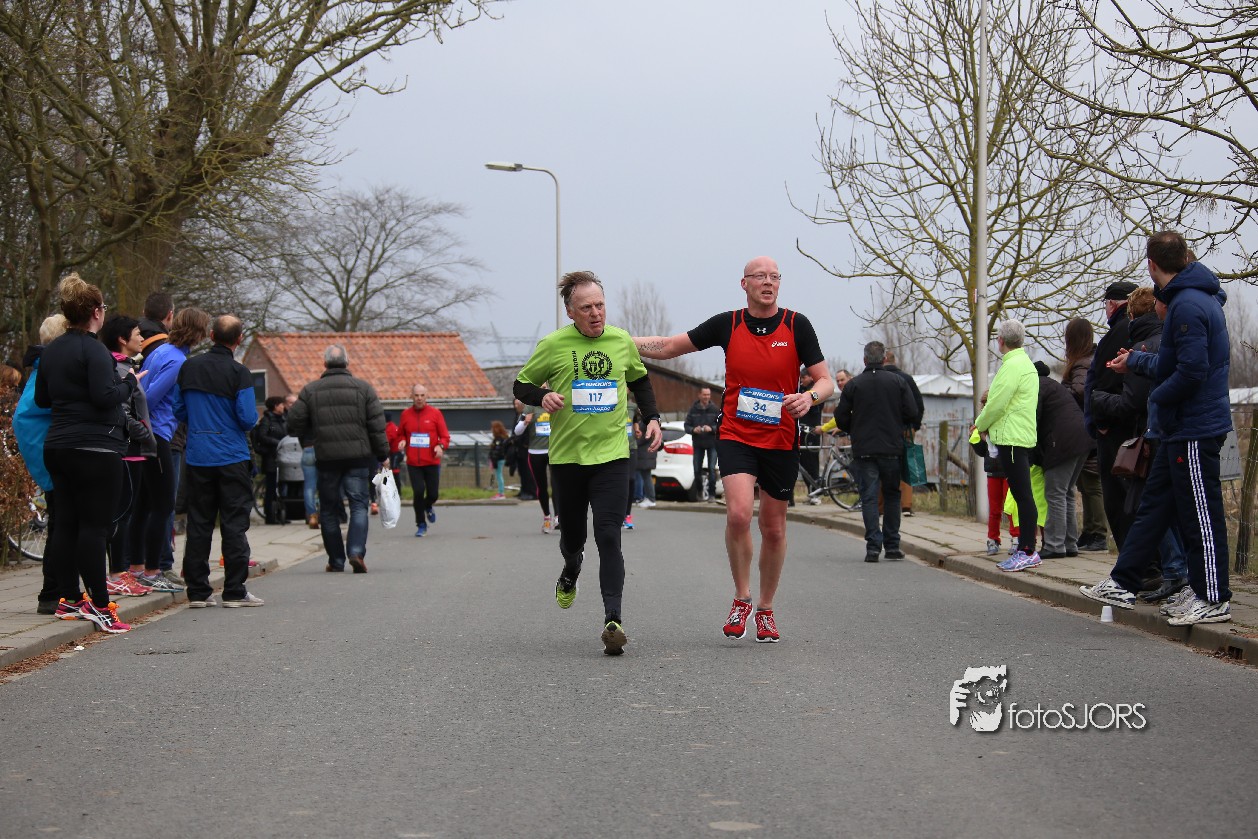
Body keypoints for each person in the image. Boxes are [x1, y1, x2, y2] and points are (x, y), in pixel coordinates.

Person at [635, 256, 832, 643]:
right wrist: (618, 340)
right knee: (739, 515)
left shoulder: (797, 325)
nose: (768, 282)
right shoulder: (728, 324)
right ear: (744, 284)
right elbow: (671, 346)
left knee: (773, 528)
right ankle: (742, 598)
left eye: (774, 277)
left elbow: (825, 380)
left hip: (780, 439)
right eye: (760, 276)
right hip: (737, 435)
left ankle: (766, 608)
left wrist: (808, 397)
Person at [1081, 232, 1233, 626]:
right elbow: (1171, 361)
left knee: (1200, 513)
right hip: (1178, 427)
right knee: (1153, 507)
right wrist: (1136, 362)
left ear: (1151, 265)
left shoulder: (1188, 304)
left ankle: (1212, 597)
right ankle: (1124, 582)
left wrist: (1157, 398)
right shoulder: (1188, 299)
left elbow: (1191, 372)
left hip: (1193, 426)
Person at [515, 270, 662, 656]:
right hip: (567, 459)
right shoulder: (553, 345)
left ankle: (613, 620)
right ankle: (571, 568)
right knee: (573, 539)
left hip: (612, 456)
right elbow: (521, 385)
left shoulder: (621, 341)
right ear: (570, 312)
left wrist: (653, 417)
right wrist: (541, 397)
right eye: (586, 308)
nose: (596, 313)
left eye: (600, 305)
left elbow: (640, 380)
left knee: (609, 534)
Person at [35, 274, 135, 633]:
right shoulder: (95, 350)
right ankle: (101, 606)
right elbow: (104, 397)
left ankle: (70, 598)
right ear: (96, 312)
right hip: (95, 447)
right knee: (94, 527)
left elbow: (42, 399)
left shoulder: (52, 350)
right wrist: (129, 382)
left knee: (66, 523)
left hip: (57, 446)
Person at [171, 315, 263, 607]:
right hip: (232, 456)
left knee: (199, 522)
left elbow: (177, 409)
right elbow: (247, 418)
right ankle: (234, 590)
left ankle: (198, 591)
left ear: (211, 335)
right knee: (234, 523)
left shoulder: (189, 368)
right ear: (239, 339)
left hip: (198, 455)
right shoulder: (240, 373)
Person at [286, 344, 388, 574]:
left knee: (329, 509)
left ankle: (336, 560)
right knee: (359, 505)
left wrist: (311, 431)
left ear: (324, 364)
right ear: (347, 362)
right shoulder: (364, 389)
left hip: (327, 458)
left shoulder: (311, 391)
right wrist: (382, 454)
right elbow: (377, 426)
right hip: (358, 457)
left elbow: (293, 424)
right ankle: (356, 552)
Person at [137, 307, 210, 587]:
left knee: (145, 504)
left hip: (148, 434)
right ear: (198, 332)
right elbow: (149, 398)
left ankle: (138, 568)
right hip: (158, 435)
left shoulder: (160, 351)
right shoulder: (178, 361)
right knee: (163, 504)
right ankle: (153, 571)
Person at [98, 315, 167, 599]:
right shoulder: (117, 368)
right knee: (121, 513)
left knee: (127, 512)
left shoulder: (126, 366)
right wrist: (145, 435)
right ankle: (116, 574)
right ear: (122, 339)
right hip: (128, 450)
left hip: (133, 451)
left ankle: (120, 571)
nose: (141, 338)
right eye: (137, 333)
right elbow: (122, 412)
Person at [830, 341, 916, 563]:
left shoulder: (854, 385)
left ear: (865, 360)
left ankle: (873, 547)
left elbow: (840, 417)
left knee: (868, 497)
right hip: (892, 448)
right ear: (884, 359)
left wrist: (853, 427)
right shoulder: (897, 382)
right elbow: (912, 412)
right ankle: (892, 545)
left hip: (864, 448)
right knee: (892, 495)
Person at [971, 319, 1040, 571]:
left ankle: (1027, 550)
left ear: (1000, 341)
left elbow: (996, 403)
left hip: (1011, 437)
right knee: (1023, 495)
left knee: (1022, 496)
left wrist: (980, 424)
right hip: (1020, 435)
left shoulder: (1011, 367)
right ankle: (1026, 548)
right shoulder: (1026, 364)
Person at [13, 314, 68, 614]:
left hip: (49, 456)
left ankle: (56, 591)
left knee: (61, 523)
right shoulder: (48, 371)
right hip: (55, 459)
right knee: (62, 524)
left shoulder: (40, 369)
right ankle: (53, 592)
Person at [1084, 280, 1140, 550]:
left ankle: (1134, 563)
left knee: (1118, 500)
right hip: (1127, 427)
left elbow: (1105, 382)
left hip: (1115, 431)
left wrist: (1101, 424)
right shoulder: (1133, 330)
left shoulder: (1118, 333)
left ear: (1113, 304)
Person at [1031, 361, 1091, 559]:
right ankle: (1069, 543)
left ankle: (1055, 545)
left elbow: (1033, 420)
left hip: (1062, 442)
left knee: (1055, 493)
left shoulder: (1036, 387)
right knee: (1067, 493)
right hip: (1083, 439)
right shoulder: (1054, 386)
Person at [1061, 318, 1108, 552]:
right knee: (1086, 484)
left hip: (1085, 431)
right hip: (1088, 429)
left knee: (1091, 484)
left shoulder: (1081, 363)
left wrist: (1061, 392)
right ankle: (1090, 532)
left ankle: (1097, 533)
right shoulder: (1091, 359)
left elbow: (1079, 389)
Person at [397, 383, 450, 537]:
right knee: (418, 492)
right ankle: (421, 524)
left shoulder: (435, 413)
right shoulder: (405, 414)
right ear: (411, 396)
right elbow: (400, 433)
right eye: (416, 395)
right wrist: (402, 441)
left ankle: (428, 506)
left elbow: (445, 436)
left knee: (433, 494)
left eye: (422, 395)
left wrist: (440, 446)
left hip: (432, 461)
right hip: (414, 462)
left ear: (427, 396)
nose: (419, 398)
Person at [881, 349, 924, 516]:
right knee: (906, 465)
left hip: (883, 430)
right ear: (894, 360)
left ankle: (880, 506)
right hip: (905, 428)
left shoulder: (878, 379)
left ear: (883, 360)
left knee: (881, 465)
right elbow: (918, 405)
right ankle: (906, 506)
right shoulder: (907, 379)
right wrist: (914, 426)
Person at [253, 395, 289, 524]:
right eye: (281, 404)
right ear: (275, 406)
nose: (283, 406)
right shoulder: (267, 420)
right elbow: (262, 436)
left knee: (283, 486)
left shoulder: (284, 419)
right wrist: (278, 443)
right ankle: (270, 515)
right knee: (271, 486)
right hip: (271, 457)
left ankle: (281, 513)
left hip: (284, 457)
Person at [684, 386, 720, 501]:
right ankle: (699, 491)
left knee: (711, 469)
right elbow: (686, 426)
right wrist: (693, 430)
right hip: (698, 443)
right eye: (704, 395)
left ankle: (712, 494)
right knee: (697, 470)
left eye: (708, 395)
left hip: (712, 443)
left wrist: (712, 428)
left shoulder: (715, 409)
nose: (706, 397)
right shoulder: (693, 410)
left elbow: (721, 425)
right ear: (699, 395)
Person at [488, 419, 510, 499]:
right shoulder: (501, 438)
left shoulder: (499, 439)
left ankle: (501, 493)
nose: (491, 429)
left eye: (493, 427)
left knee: (499, 476)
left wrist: (493, 461)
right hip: (499, 459)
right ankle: (500, 493)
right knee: (499, 475)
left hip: (498, 460)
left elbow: (497, 451)